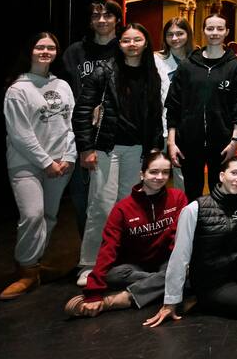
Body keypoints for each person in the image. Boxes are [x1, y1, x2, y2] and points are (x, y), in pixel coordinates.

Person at [73, 22, 171, 286]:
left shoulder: (152, 73)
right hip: (107, 147)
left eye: (137, 40)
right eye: (126, 40)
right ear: (119, 43)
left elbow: (155, 115)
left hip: (137, 149)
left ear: (146, 43)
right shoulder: (104, 71)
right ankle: (90, 264)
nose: (132, 45)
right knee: (101, 206)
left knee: (128, 207)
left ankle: (118, 259)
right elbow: (83, 109)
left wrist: (153, 147)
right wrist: (86, 148)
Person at [144, 155, 237, 326]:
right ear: (222, 176)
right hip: (211, 279)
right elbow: (180, 256)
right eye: (234, 173)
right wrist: (171, 301)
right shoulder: (194, 209)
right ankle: (202, 300)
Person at [0, 32, 77, 300]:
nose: (45, 51)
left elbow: (70, 124)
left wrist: (69, 156)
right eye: (40, 47)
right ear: (30, 51)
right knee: (33, 215)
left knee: (49, 217)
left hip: (60, 163)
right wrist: (45, 162)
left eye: (50, 47)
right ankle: (25, 271)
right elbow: (20, 134)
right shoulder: (18, 89)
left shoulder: (62, 85)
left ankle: (35, 265)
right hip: (26, 164)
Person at [64, 150, 188, 317]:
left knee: (181, 269)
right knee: (112, 276)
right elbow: (108, 248)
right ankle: (170, 283)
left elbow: (179, 239)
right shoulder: (122, 209)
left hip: (166, 262)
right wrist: (94, 292)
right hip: (133, 267)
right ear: (142, 174)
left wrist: (176, 268)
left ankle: (121, 299)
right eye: (153, 171)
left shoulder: (178, 198)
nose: (160, 177)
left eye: (165, 172)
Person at [165, 13, 237, 198]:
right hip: (189, 140)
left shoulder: (236, 67)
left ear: (227, 32)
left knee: (220, 191)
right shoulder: (187, 66)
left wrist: (234, 140)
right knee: (191, 193)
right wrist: (171, 142)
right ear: (203, 31)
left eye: (220, 29)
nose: (214, 33)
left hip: (222, 141)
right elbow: (173, 105)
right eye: (210, 28)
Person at [62, 0, 122, 234]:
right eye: (96, 16)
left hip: (118, 137)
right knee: (83, 201)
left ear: (117, 19)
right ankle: (89, 252)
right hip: (82, 135)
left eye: (107, 15)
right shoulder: (75, 52)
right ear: (89, 21)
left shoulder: (126, 49)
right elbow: (64, 91)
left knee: (116, 202)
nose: (102, 20)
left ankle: (114, 251)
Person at [157, 17, 193, 81]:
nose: (174, 38)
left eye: (180, 34)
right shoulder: (156, 59)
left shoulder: (197, 59)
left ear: (188, 34)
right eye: (170, 34)